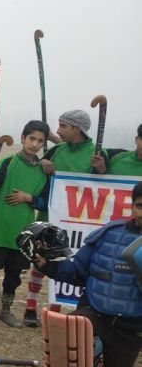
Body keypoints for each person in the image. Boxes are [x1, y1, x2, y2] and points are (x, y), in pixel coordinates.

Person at [30, 180, 142, 367]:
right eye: (140, 205)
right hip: (94, 312)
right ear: (133, 206)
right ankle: (90, 352)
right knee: (65, 340)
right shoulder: (109, 234)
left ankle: (101, 361)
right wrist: (46, 264)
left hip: (130, 326)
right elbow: (75, 271)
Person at [25, 109, 109, 326]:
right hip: (50, 214)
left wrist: (101, 168)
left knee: (65, 262)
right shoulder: (58, 150)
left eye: (63, 126)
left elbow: (104, 178)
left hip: (77, 219)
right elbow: (39, 164)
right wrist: (44, 162)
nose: (59, 130)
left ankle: (56, 310)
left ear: (76, 128)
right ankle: (30, 306)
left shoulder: (96, 152)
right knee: (40, 259)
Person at [0, 120, 50, 326]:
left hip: (23, 232)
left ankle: (5, 311)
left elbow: (45, 200)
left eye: (40, 141)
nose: (35, 144)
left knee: (13, 276)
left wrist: (28, 198)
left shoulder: (43, 171)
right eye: (31, 138)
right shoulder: (8, 161)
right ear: (23, 138)